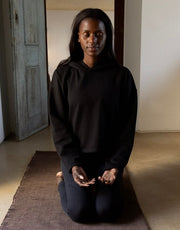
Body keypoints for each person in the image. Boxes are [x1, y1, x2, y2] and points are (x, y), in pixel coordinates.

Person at [49, 8, 137, 223]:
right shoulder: (64, 74)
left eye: (99, 34)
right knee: (80, 212)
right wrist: (72, 164)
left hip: (107, 159)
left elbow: (127, 128)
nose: (92, 40)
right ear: (78, 38)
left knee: (107, 211)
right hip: (77, 158)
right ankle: (63, 181)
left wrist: (115, 165)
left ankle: (115, 180)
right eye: (86, 34)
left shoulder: (122, 77)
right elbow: (58, 123)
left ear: (107, 37)